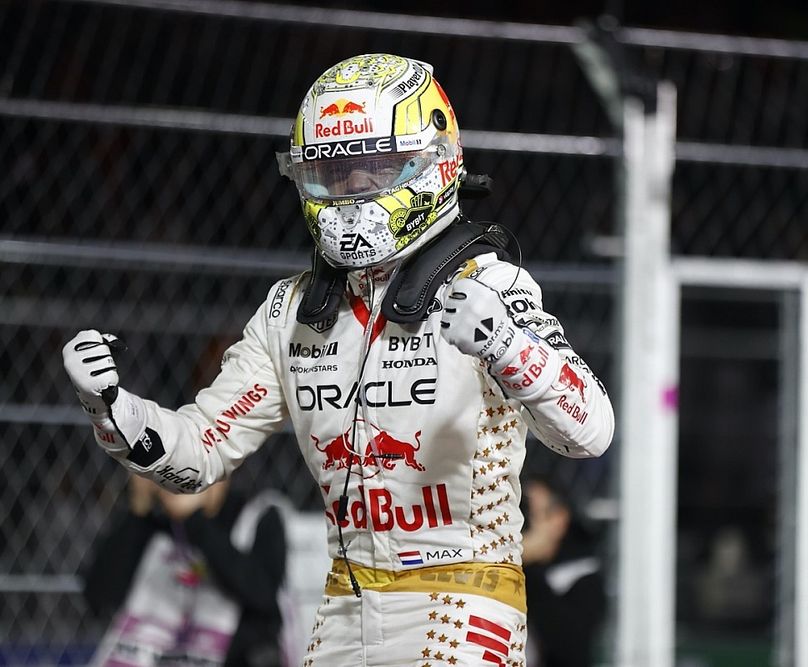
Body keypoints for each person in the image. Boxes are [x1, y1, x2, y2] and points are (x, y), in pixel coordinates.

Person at [63, 52, 614, 665]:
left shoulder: (491, 284)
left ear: (434, 162)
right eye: (332, 172)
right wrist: (113, 410)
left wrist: (511, 349)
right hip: (342, 608)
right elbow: (201, 454)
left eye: (373, 167)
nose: (352, 191)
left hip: (466, 601)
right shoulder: (288, 311)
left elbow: (590, 431)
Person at [83, 475, 290, 666]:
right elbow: (99, 597)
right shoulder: (155, 522)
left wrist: (195, 520)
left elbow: (263, 595)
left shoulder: (256, 517)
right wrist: (138, 510)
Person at [521, 476, 608, 667]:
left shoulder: (583, 574)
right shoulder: (495, 562)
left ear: (559, 519)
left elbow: (570, 647)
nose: (521, 526)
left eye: (530, 515)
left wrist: (524, 566)